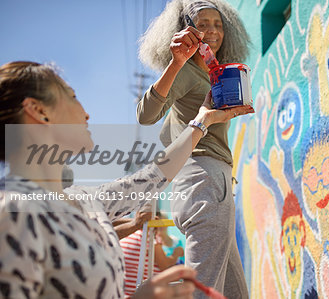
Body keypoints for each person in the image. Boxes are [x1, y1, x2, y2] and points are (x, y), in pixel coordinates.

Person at [0, 61, 252, 298]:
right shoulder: (12, 210)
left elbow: (153, 177)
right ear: (39, 110)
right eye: (72, 96)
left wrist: (203, 120)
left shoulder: (84, 201)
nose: (86, 114)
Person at [137, 0, 251, 297]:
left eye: (217, 24)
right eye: (202, 24)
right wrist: (176, 62)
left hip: (212, 182)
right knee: (204, 289)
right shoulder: (186, 71)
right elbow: (145, 115)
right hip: (204, 181)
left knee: (234, 292)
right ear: (186, 30)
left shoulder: (214, 74)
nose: (212, 31)